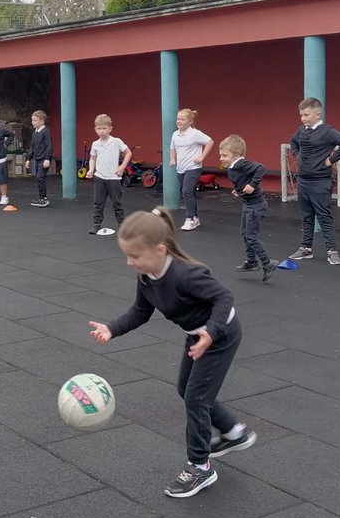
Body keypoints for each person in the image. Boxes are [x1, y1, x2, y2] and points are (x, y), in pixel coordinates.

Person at [88, 209, 257, 497]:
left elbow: (224, 297)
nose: (130, 262)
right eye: (127, 256)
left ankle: (199, 467)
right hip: (197, 335)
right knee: (186, 390)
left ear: (160, 250)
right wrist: (112, 328)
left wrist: (211, 333)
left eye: (135, 256)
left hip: (220, 335)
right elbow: (140, 312)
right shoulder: (147, 276)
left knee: (196, 397)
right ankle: (233, 432)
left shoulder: (185, 274)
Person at [288, 97, 340, 265]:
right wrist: (298, 155)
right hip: (303, 181)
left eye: (306, 115)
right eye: (301, 115)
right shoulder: (301, 130)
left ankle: (332, 250)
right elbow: (293, 142)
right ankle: (306, 248)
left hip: (320, 181)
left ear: (318, 114)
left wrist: (331, 160)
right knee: (306, 216)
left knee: (324, 216)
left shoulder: (328, 131)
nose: (303, 118)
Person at [218, 134, 276, 281]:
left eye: (224, 155)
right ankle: (251, 262)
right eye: (221, 155)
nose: (221, 158)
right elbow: (241, 180)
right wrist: (238, 191)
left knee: (251, 236)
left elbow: (260, 168)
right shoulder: (233, 166)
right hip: (249, 204)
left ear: (236, 154)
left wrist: (252, 185)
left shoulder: (241, 164)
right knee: (245, 234)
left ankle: (267, 263)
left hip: (256, 206)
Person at [169, 108, 215, 232]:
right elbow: (172, 147)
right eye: (178, 119)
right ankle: (195, 218)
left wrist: (201, 157)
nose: (179, 121)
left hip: (193, 168)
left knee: (187, 191)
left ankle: (189, 219)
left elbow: (210, 142)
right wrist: (172, 159)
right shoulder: (175, 134)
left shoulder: (195, 133)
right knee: (190, 193)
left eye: (182, 119)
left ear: (190, 121)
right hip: (181, 168)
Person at [85, 114, 131, 235]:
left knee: (117, 202)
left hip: (113, 178)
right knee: (98, 202)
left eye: (104, 128)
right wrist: (91, 170)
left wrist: (121, 167)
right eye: (99, 129)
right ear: (95, 129)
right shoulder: (95, 144)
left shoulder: (116, 141)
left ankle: (122, 224)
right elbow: (92, 158)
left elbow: (128, 153)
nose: (102, 131)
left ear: (110, 128)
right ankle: (96, 224)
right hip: (100, 177)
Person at [26, 110, 53, 207]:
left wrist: (47, 158)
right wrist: (29, 159)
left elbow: (49, 145)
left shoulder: (45, 132)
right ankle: (41, 198)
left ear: (42, 121)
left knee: (40, 177)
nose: (33, 122)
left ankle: (44, 198)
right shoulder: (35, 133)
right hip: (37, 159)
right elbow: (32, 147)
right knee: (38, 178)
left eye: (35, 120)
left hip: (43, 159)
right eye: (32, 120)